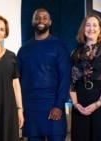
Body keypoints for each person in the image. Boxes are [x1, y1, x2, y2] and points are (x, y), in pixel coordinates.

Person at [17, 8, 71, 141]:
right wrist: (20, 107)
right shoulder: (24, 49)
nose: (41, 20)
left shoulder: (59, 46)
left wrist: (59, 105)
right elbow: (18, 79)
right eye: (37, 17)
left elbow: (65, 77)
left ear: (50, 22)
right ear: (32, 21)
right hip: (31, 108)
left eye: (45, 17)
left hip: (53, 106)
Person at [70, 14, 101, 141]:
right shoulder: (75, 53)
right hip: (80, 104)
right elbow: (71, 82)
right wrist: (76, 104)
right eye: (88, 25)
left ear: (100, 29)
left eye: (95, 25)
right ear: (83, 29)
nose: (91, 28)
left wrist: (98, 103)